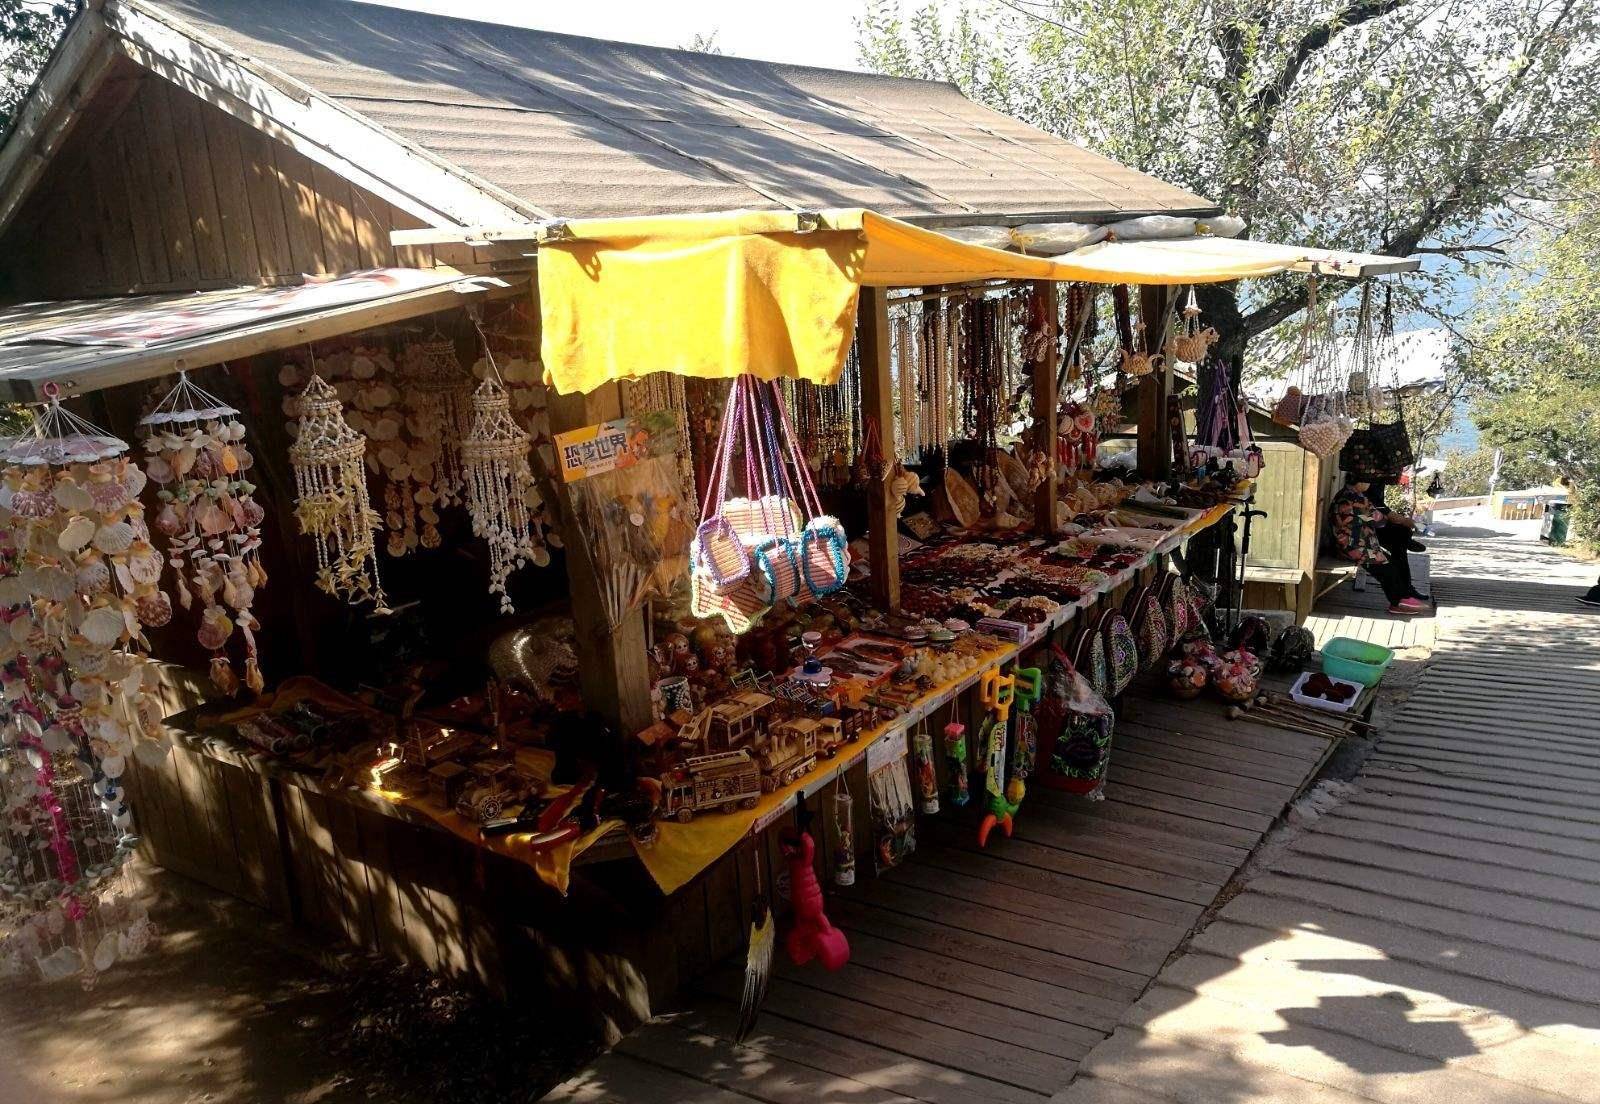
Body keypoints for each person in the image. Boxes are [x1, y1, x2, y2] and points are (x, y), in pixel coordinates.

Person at [1328, 479, 1428, 614]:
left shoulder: (1344, 494)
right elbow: (1380, 520)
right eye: (1367, 481)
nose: (1369, 484)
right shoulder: (1356, 499)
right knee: (1388, 567)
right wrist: (1405, 521)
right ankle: (1398, 603)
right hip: (1353, 547)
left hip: (1348, 542)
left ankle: (1403, 596)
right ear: (1360, 481)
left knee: (1391, 560)